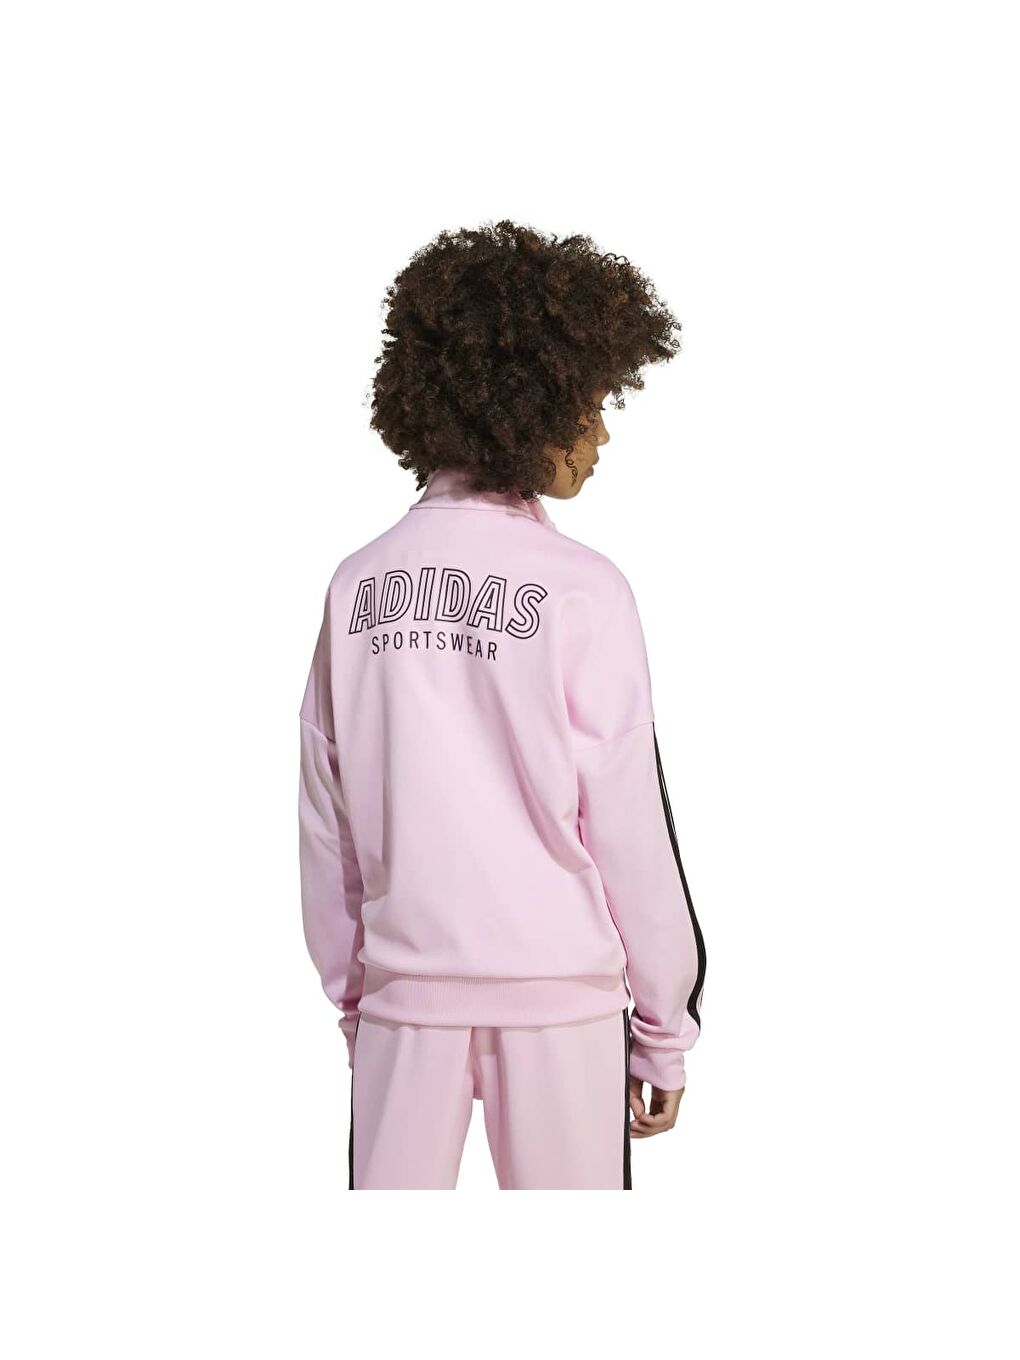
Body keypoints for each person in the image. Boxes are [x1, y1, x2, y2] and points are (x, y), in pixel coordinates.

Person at [298, 220, 706, 1190]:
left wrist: (358, 999)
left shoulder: (357, 585)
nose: (602, 434)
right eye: (592, 404)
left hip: (405, 998)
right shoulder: (583, 588)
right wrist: (664, 1029)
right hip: (562, 1003)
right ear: (534, 403)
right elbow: (629, 824)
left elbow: (326, 822)